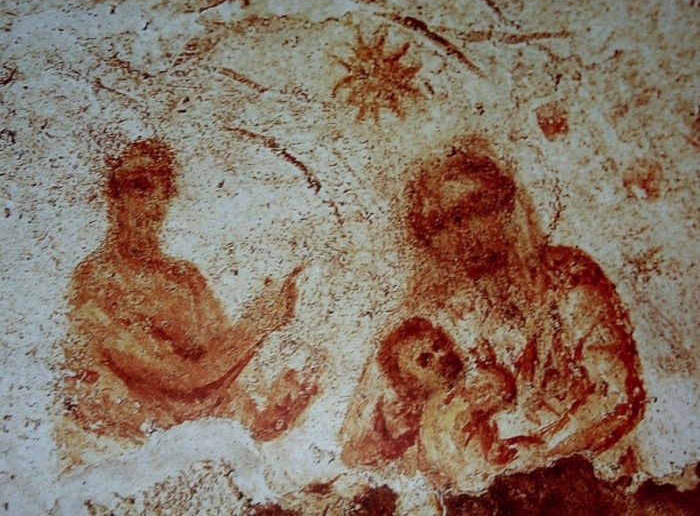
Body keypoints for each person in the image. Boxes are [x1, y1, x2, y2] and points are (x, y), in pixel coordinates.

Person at [341, 138, 645, 490]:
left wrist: (537, 454)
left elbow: (617, 397)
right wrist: (404, 425)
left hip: (585, 483)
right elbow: (358, 445)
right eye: (440, 224)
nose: (460, 233)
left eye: (474, 209)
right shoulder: (429, 318)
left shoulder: (567, 277)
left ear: (504, 206)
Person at [61, 139, 318, 443]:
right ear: (114, 197)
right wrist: (257, 326)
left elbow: (225, 384)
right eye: (140, 187)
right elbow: (181, 376)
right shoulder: (97, 281)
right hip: (129, 449)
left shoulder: (185, 279)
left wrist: (279, 411)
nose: (153, 204)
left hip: (196, 445)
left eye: (163, 191)